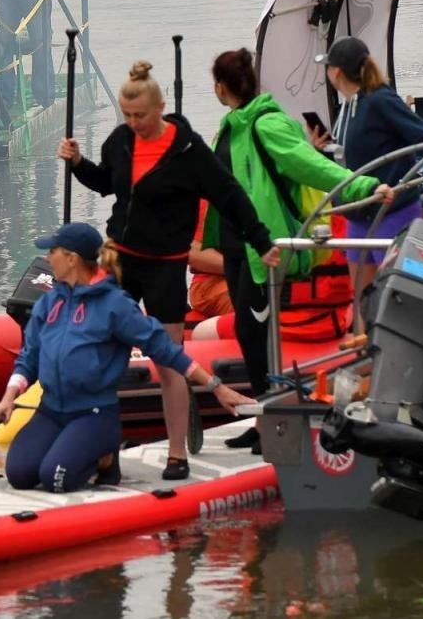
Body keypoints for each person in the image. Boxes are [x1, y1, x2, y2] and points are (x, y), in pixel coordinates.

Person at [59, 62, 281, 480]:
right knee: (102, 355)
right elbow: (106, 184)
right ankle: (105, 454)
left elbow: (230, 195)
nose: (133, 123)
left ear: (160, 108)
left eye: (140, 115)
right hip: (120, 259)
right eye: (127, 115)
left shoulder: (188, 150)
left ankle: (176, 454)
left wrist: (261, 239)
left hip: (165, 266)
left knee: (167, 359)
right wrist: (78, 162)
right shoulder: (120, 140)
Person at [204, 48, 389, 444]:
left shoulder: (266, 123)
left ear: (220, 87)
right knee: (249, 333)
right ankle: (265, 420)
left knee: (255, 334)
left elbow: (311, 165)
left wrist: (364, 186)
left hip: (261, 247)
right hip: (235, 247)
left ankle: (272, 423)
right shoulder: (231, 125)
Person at [0, 222, 249, 494]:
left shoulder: (115, 305)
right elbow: (29, 358)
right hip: (51, 410)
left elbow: (167, 350)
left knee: (55, 478)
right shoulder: (48, 303)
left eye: (52, 251)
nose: (47, 257)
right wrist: (8, 398)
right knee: (19, 475)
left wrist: (216, 387)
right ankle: (72, 448)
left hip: (93, 412)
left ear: (71, 259)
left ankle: (106, 456)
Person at [309, 37, 423, 332]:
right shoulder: (348, 106)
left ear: (336, 72)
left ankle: (406, 344)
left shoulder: (380, 99)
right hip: (358, 214)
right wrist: (322, 150)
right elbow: (349, 158)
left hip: (392, 212)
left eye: (327, 67)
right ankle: (365, 350)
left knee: (398, 295)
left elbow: (422, 135)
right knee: (361, 296)